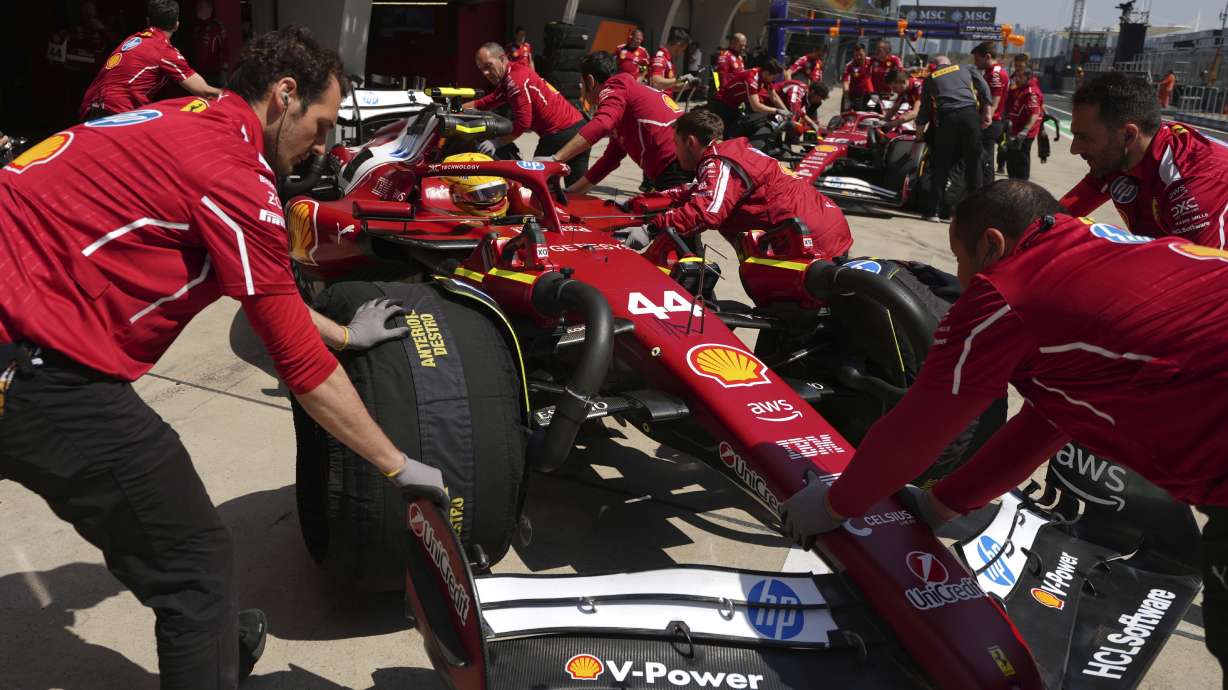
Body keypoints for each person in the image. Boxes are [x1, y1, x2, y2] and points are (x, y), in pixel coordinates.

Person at [0, 26, 448, 690]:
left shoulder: (190, 120)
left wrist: (352, 338)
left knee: (159, 519)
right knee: (196, 569)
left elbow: (270, 301)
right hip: (33, 359)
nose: (324, 144)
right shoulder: (234, 175)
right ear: (284, 96)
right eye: (321, 125)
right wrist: (398, 465)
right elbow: (296, 362)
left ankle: (227, 643)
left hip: (25, 327)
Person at [779, 179, 1228, 686]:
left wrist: (838, 502)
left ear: (992, 243)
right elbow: (1052, 419)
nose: (962, 278)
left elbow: (923, 422)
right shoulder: (1097, 249)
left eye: (961, 259)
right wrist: (941, 505)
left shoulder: (1007, 289)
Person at [626, 109, 852, 258]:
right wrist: (638, 202)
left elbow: (707, 211)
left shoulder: (719, 161)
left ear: (691, 142)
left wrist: (651, 228)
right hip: (827, 228)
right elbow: (696, 191)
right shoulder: (736, 152)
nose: (674, 152)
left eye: (676, 144)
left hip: (813, 242)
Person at [1061, 72, 1228, 248]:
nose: (1074, 149)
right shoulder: (1120, 155)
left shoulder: (1189, 184)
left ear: (1129, 135)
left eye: (1084, 137)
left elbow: (1196, 270)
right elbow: (1058, 216)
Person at [545, 51, 688, 194]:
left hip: (676, 163)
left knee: (659, 214)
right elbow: (610, 160)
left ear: (590, 81)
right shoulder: (625, 96)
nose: (581, 89)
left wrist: (555, 159)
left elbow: (602, 123)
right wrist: (571, 191)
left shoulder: (614, 86)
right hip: (683, 158)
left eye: (581, 83)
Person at [462, 42, 589, 185]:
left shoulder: (514, 81)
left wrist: (496, 142)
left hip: (558, 134)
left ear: (503, 58)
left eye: (488, 66)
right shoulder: (512, 75)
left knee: (533, 186)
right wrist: (457, 111)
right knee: (575, 193)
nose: (485, 73)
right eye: (481, 69)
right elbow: (485, 103)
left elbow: (523, 123)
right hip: (580, 130)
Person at [79, 0, 221, 121]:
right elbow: (204, 91)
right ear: (176, 25)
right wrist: (232, 96)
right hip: (116, 114)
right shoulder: (163, 50)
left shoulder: (132, 40)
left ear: (148, 21)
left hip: (89, 109)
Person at [914, 55, 992, 222]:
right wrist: (988, 109)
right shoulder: (966, 68)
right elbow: (984, 87)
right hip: (970, 116)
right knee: (973, 164)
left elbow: (924, 110)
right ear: (949, 63)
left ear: (935, 66)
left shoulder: (930, 79)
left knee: (941, 165)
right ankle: (973, 215)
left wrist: (919, 133)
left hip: (947, 118)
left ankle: (932, 211)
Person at [706, 58, 789, 137]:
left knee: (737, 131)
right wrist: (777, 111)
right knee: (721, 134)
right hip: (721, 103)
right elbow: (756, 106)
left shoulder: (764, 77)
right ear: (767, 73)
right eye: (774, 77)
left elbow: (774, 96)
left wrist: (787, 113)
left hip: (733, 105)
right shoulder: (752, 78)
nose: (774, 80)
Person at [971, 41, 1009, 187]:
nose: (975, 63)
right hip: (991, 121)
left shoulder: (995, 74)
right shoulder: (991, 72)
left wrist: (984, 122)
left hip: (989, 123)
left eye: (977, 59)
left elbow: (994, 101)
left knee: (984, 162)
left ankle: (985, 193)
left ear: (987, 57)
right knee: (982, 161)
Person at [1004, 68, 1042, 180]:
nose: (1016, 79)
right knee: (1011, 159)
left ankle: (1022, 184)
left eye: (1020, 77)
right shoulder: (1020, 89)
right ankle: (1013, 181)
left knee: (1021, 160)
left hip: (1024, 133)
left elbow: (1034, 113)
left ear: (1028, 78)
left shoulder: (1031, 92)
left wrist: (1024, 131)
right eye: (1016, 76)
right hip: (1015, 129)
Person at [649, 29, 698, 98]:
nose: (682, 53)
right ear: (679, 45)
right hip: (658, 103)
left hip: (666, 102)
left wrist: (689, 84)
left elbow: (671, 87)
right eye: (683, 49)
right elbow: (656, 82)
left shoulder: (668, 60)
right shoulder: (660, 57)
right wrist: (681, 79)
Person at [191, 0, 228, 86]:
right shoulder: (196, 26)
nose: (198, 9)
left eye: (201, 7)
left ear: (209, 9)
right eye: (198, 7)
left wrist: (225, 69)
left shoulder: (217, 26)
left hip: (213, 71)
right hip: (197, 71)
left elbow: (225, 48)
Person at [841, 43, 875, 111]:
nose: (859, 57)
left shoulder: (871, 61)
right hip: (852, 96)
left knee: (869, 115)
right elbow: (845, 82)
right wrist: (847, 99)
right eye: (856, 55)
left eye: (861, 55)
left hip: (869, 96)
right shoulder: (849, 66)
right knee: (847, 117)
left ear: (865, 53)